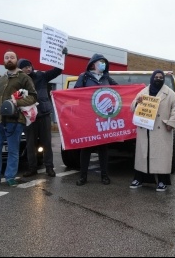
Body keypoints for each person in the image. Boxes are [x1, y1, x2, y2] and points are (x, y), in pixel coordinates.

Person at [0, 50, 37, 187]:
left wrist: (18, 102)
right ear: (3, 61)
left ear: (16, 60)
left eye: (12, 57)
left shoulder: (24, 78)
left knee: (13, 150)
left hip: (14, 120)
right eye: (6, 57)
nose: (9, 59)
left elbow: (33, 97)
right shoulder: (0, 79)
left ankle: (10, 176)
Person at [17, 47, 68, 178]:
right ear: (20, 70)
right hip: (28, 117)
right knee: (30, 144)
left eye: (29, 66)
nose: (28, 69)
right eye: (25, 67)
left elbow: (57, 71)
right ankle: (32, 168)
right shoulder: (18, 82)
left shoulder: (41, 76)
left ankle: (49, 168)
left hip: (44, 114)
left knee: (47, 143)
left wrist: (61, 57)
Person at [129, 69, 175, 192]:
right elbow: (133, 107)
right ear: (152, 78)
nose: (158, 79)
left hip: (161, 130)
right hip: (145, 129)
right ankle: (139, 179)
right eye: (156, 77)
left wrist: (171, 123)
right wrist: (138, 103)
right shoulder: (143, 92)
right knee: (143, 156)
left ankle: (162, 181)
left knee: (161, 157)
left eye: (160, 77)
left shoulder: (170, 94)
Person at [74, 53, 118, 186]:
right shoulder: (84, 77)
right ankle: (83, 176)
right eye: (100, 62)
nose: (103, 64)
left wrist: (138, 88)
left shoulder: (107, 78)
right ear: (93, 64)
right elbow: (76, 93)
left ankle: (104, 176)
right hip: (88, 117)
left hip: (103, 118)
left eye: (104, 62)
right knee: (86, 147)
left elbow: (121, 90)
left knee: (103, 148)